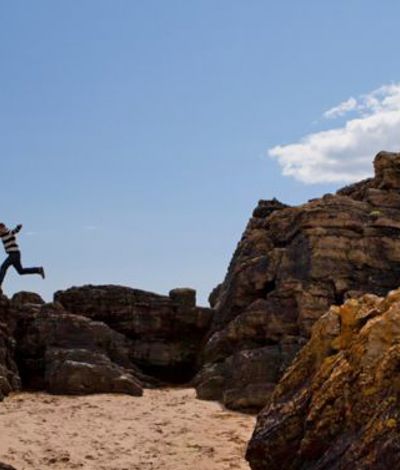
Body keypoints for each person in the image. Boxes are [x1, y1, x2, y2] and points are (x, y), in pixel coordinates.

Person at [0, 223, 45, 291]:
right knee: (21, 271)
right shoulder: (2, 235)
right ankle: (38, 270)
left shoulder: (8, 232)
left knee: (3, 267)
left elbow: (14, 231)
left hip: (14, 254)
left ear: (2, 228)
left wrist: (18, 227)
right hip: (15, 254)